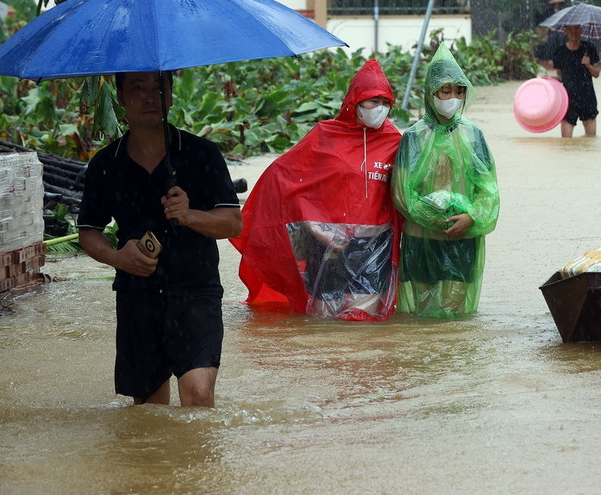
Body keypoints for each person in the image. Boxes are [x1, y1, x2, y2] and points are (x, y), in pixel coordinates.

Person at [77, 71, 242, 407]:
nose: (150, 97)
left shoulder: (201, 153)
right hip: (138, 295)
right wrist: (117, 257)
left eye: (159, 87)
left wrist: (190, 215)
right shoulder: (106, 164)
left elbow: (233, 223)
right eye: (138, 88)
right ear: (121, 97)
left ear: (171, 94)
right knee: (150, 412)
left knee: (198, 393)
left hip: (195, 290)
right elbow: (89, 231)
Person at [230, 59, 402, 321]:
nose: (379, 108)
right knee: (322, 325)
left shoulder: (394, 140)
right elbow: (287, 179)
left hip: (373, 246)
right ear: (355, 101)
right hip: (327, 248)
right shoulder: (325, 135)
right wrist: (317, 230)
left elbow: (405, 191)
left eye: (385, 102)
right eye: (372, 101)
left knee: (362, 326)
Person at [391, 44, 499, 319]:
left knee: (455, 320)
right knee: (423, 320)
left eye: (459, 91)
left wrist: (471, 217)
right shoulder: (413, 137)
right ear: (431, 92)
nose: (453, 98)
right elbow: (402, 194)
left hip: (463, 239)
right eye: (445, 91)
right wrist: (438, 219)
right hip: (420, 240)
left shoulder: (474, 136)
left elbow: (488, 191)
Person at [550, 24, 601, 137]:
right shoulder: (559, 52)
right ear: (565, 31)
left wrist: (588, 65)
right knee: (566, 142)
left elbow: (597, 74)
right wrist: (549, 79)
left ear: (581, 30)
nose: (573, 32)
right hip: (567, 100)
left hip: (587, 98)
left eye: (576, 28)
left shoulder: (589, 48)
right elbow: (561, 77)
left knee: (591, 140)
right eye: (570, 28)